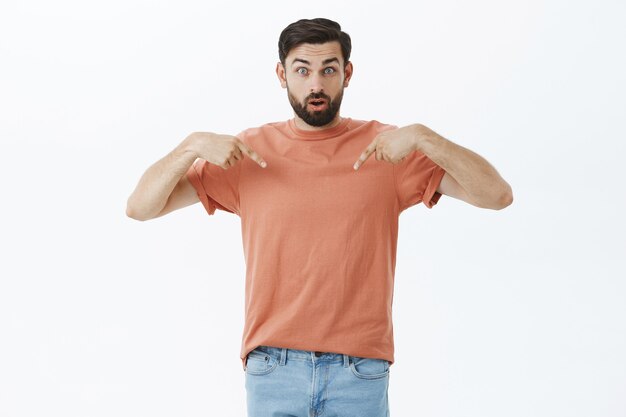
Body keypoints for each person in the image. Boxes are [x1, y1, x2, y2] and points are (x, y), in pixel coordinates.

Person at [126, 17, 513, 417]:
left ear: (347, 73)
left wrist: (423, 137)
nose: (315, 85)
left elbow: (497, 195)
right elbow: (140, 206)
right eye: (302, 70)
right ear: (282, 75)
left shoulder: (389, 149)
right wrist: (190, 146)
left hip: (359, 370)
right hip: (274, 369)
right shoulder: (248, 152)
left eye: (328, 69)